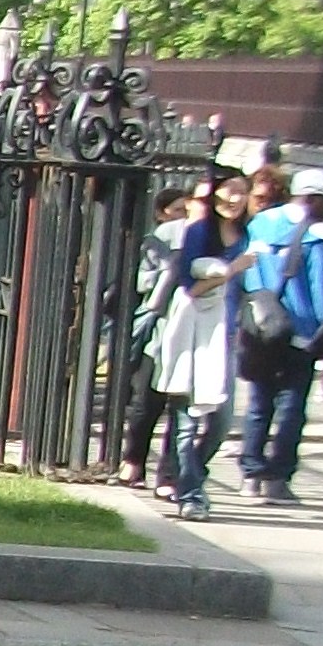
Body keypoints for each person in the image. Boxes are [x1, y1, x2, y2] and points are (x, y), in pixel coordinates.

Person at [234, 167, 323, 504]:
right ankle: (279, 477)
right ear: (312, 199)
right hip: (300, 334)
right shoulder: (318, 235)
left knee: (258, 405)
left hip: (261, 328)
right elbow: (321, 290)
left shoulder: (260, 223)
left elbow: (247, 271)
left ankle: (250, 473)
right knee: (292, 408)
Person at [149, 169, 249, 518]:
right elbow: (190, 287)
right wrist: (232, 269)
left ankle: (189, 475)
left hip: (226, 337)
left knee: (220, 423)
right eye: (228, 191)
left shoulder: (246, 234)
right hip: (193, 334)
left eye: (241, 192)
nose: (234, 199)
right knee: (186, 420)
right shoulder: (198, 232)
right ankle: (190, 493)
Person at [119, 187, 197, 491]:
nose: (185, 215)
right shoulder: (163, 235)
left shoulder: (212, 235)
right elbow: (141, 278)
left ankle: (168, 473)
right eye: (180, 209)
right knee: (146, 401)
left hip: (192, 327)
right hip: (158, 326)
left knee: (182, 406)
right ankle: (133, 460)